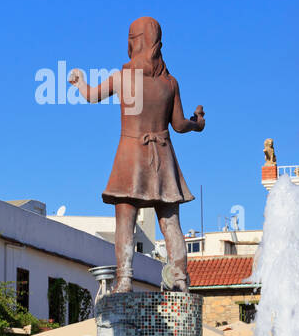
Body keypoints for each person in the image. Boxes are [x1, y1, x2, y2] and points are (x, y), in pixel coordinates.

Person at [69, 17, 205, 293]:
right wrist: (198, 123)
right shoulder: (170, 84)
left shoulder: (121, 79)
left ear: (134, 42)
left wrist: (79, 82)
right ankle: (179, 279)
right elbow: (179, 125)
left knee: (125, 220)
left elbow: (91, 96)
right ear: (157, 44)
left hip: (131, 157)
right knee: (171, 224)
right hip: (163, 157)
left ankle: (125, 280)